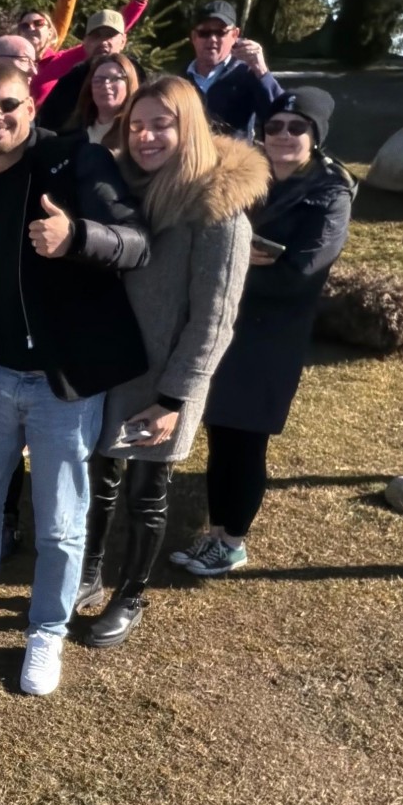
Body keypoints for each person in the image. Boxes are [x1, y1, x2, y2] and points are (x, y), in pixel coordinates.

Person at [0, 63, 150, 696]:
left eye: (6, 105)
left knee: (59, 522)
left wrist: (77, 237)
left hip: (62, 381)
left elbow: (136, 243)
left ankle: (47, 629)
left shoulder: (76, 162)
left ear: (30, 104)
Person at [75, 75, 264, 647]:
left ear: (191, 127)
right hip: (113, 366)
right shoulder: (127, 189)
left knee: (146, 491)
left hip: (165, 380)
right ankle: (89, 569)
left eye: (162, 123)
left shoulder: (219, 211)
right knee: (101, 479)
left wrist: (175, 398)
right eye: (136, 125)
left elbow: (214, 320)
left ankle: (131, 594)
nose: (146, 136)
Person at [173, 87, 353, 577]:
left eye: (297, 127)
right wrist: (245, 256)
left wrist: (237, 262)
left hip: (273, 333)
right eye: (274, 126)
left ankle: (233, 540)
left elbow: (304, 269)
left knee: (248, 438)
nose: (284, 136)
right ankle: (215, 531)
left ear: (315, 136)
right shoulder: (247, 176)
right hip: (226, 325)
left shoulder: (330, 191)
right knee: (220, 430)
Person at [22, 0, 172, 108]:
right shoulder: (8, 60)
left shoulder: (63, 60)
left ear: (51, 32)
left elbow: (111, 32)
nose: (31, 28)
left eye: (39, 23)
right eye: (24, 26)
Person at [186, 0, 282, 135]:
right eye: (204, 33)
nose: (212, 39)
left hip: (234, 155)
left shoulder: (248, 74)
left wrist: (262, 72)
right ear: (194, 37)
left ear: (235, 35)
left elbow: (283, 116)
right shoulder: (179, 79)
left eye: (220, 32)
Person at [41, 7, 142, 129]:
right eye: (96, 36)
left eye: (109, 35)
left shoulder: (136, 73)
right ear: (86, 42)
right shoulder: (72, 78)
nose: (103, 42)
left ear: (123, 41)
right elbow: (48, 122)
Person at [65, 52, 141, 146]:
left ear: (129, 84)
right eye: (98, 80)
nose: (106, 85)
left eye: (115, 79)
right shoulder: (75, 128)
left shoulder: (135, 132)